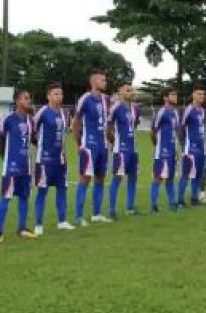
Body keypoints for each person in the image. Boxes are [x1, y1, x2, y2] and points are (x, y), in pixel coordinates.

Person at [0, 89, 37, 241]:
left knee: (24, 197)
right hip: (11, 165)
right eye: (26, 98)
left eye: (29, 98)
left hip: (26, 165)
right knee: (6, 197)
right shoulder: (8, 118)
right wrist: (5, 158)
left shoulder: (31, 120)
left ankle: (22, 228)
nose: (29, 100)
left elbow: (34, 139)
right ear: (18, 101)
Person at [33, 83, 75, 234]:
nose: (59, 96)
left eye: (61, 94)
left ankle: (62, 221)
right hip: (44, 161)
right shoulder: (42, 112)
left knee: (62, 190)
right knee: (42, 192)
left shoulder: (64, 113)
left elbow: (63, 136)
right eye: (56, 94)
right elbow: (32, 130)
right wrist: (40, 147)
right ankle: (38, 225)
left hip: (60, 160)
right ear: (48, 96)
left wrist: (64, 155)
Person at [73, 70, 111, 226]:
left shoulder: (106, 100)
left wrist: (110, 140)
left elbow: (107, 123)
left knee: (100, 178)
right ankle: (79, 216)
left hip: (103, 146)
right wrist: (78, 144)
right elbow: (75, 122)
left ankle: (96, 214)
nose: (105, 82)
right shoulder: (85, 99)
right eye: (102, 80)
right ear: (94, 82)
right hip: (89, 146)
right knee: (85, 179)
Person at [108, 82, 140, 218]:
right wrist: (114, 141)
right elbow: (108, 125)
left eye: (132, 90)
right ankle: (112, 210)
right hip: (120, 149)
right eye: (127, 90)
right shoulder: (116, 107)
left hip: (133, 148)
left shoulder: (135, 108)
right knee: (118, 178)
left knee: (133, 177)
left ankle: (130, 208)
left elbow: (134, 125)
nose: (130, 93)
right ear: (120, 92)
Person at [178, 84, 206, 206]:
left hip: (201, 148)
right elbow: (181, 127)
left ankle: (194, 199)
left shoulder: (203, 111)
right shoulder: (188, 109)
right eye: (199, 94)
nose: (202, 96)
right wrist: (183, 145)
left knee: (198, 175)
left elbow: (202, 128)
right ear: (193, 95)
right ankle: (180, 201)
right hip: (190, 148)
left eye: (203, 94)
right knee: (186, 174)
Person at [151, 87, 179, 212]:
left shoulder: (176, 112)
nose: (175, 97)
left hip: (173, 149)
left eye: (175, 94)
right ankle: (154, 205)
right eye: (172, 94)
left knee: (171, 178)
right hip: (162, 150)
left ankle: (172, 204)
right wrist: (158, 145)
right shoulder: (161, 112)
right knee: (159, 177)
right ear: (165, 98)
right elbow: (153, 130)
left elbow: (175, 132)